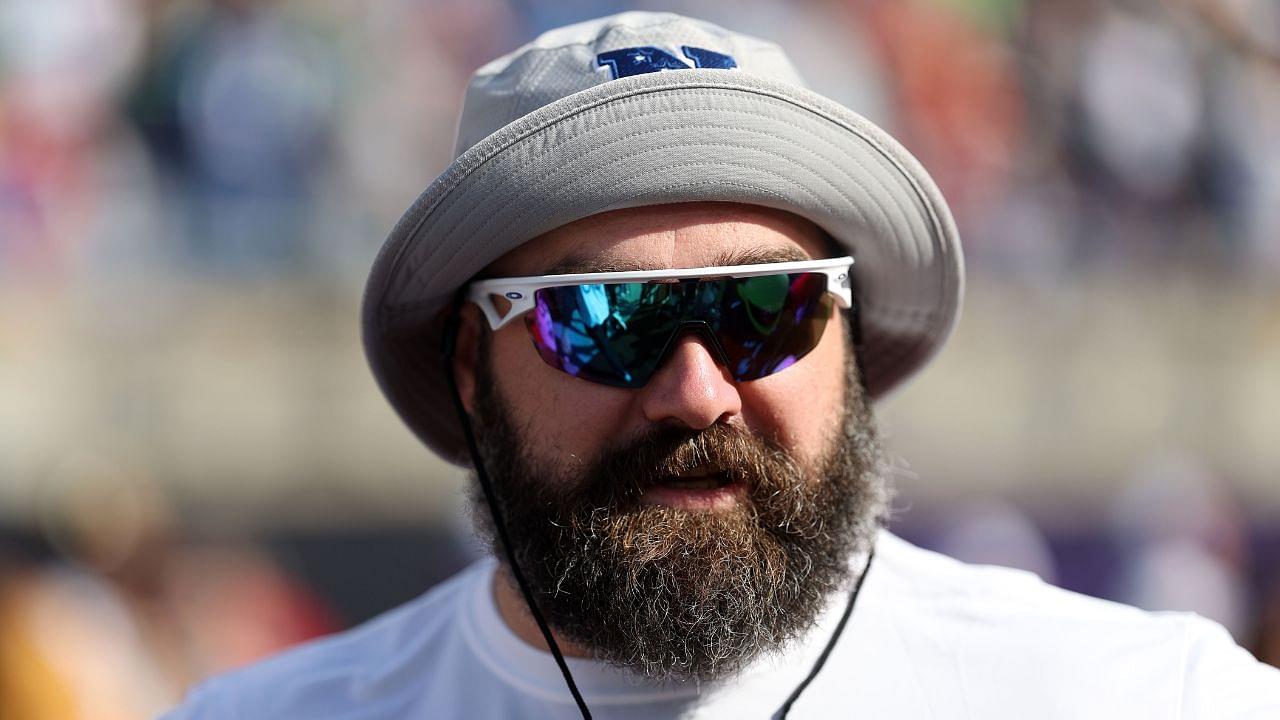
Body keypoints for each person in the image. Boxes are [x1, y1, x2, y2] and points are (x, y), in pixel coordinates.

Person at [163, 11, 1280, 719]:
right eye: (600, 317)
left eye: (765, 308)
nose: (696, 390)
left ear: (843, 331)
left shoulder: (1150, 698)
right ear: (469, 360)